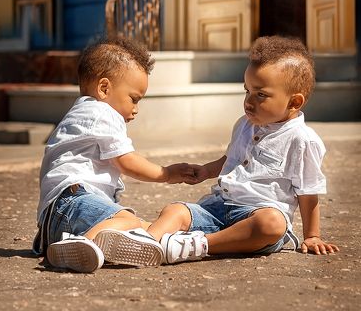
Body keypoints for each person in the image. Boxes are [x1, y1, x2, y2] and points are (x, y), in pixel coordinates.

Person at [96, 35, 339, 265]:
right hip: (218, 207)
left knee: (273, 225)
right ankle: (145, 243)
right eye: (247, 91)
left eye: (261, 94)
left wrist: (312, 235)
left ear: (294, 102)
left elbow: (308, 192)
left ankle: (199, 245)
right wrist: (205, 171)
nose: (249, 101)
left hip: (257, 215)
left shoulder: (302, 140)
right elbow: (230, 160)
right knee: (176, 210)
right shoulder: (244, 125)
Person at [33, 34, 196, 272]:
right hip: (72, 203)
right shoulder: (102, 112)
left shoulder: (82, 111)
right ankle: (82, 244)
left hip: (57, 219)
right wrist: (168, 173)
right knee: (127, 220)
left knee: (140, 228)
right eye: (133, 99)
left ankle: (88, 244)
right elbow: (126, 161)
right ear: (104, 88)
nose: (136, 109)